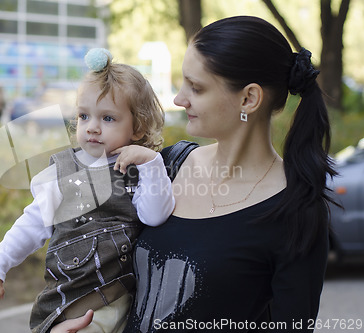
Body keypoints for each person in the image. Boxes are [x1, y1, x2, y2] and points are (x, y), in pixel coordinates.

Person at [52, 16, 338, 333]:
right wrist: (64, 324)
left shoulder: (297, 211)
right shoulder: (162, 166)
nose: (179, 99)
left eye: (196, 88)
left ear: (249, 99)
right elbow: (94, 261)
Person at [0, 48, 173, 333]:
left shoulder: (141, 170)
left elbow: (155, 216)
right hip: (75, 305)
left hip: (127, 302)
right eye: (84, 116)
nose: (92, 127)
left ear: (138, 128)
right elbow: (31, 225)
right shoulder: (63, 172)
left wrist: (152, 163)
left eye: (108, 118)